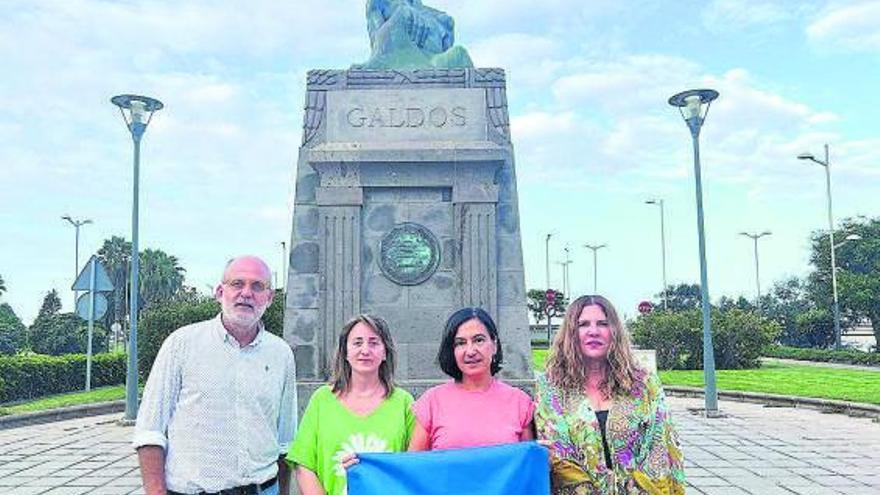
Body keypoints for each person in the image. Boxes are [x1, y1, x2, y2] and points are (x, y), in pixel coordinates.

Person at [133, 256, 297, 495]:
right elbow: (150, 430)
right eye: (237, 284)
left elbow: (285, 442)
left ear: (270, 298)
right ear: (220, 292)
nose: (247, 293)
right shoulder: (181, 344)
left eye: (257, 286)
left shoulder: (281, 354)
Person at [535, 295, 685, 495]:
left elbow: (659, 449)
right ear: (571, 332)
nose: (593, 331)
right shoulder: (550, 388)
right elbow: (557, 454)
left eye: (603, 324)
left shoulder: (645, 385)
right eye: (583, 324)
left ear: (614, 332)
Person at [288, 314, 415, 495]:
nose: (365, 350)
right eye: (357, 343)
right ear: (345, 352)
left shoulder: (404, 403)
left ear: (385, 352)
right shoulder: (321, 400)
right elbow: (304, 464)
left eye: (373, 342)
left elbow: (412, 467)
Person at [408, 307, 534, 451]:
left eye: (479, 340)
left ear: (494, 345)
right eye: (461, 343)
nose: (470, 351)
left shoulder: (520, 402)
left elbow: (527, 466)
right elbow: (413, 465)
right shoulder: (431, 401)